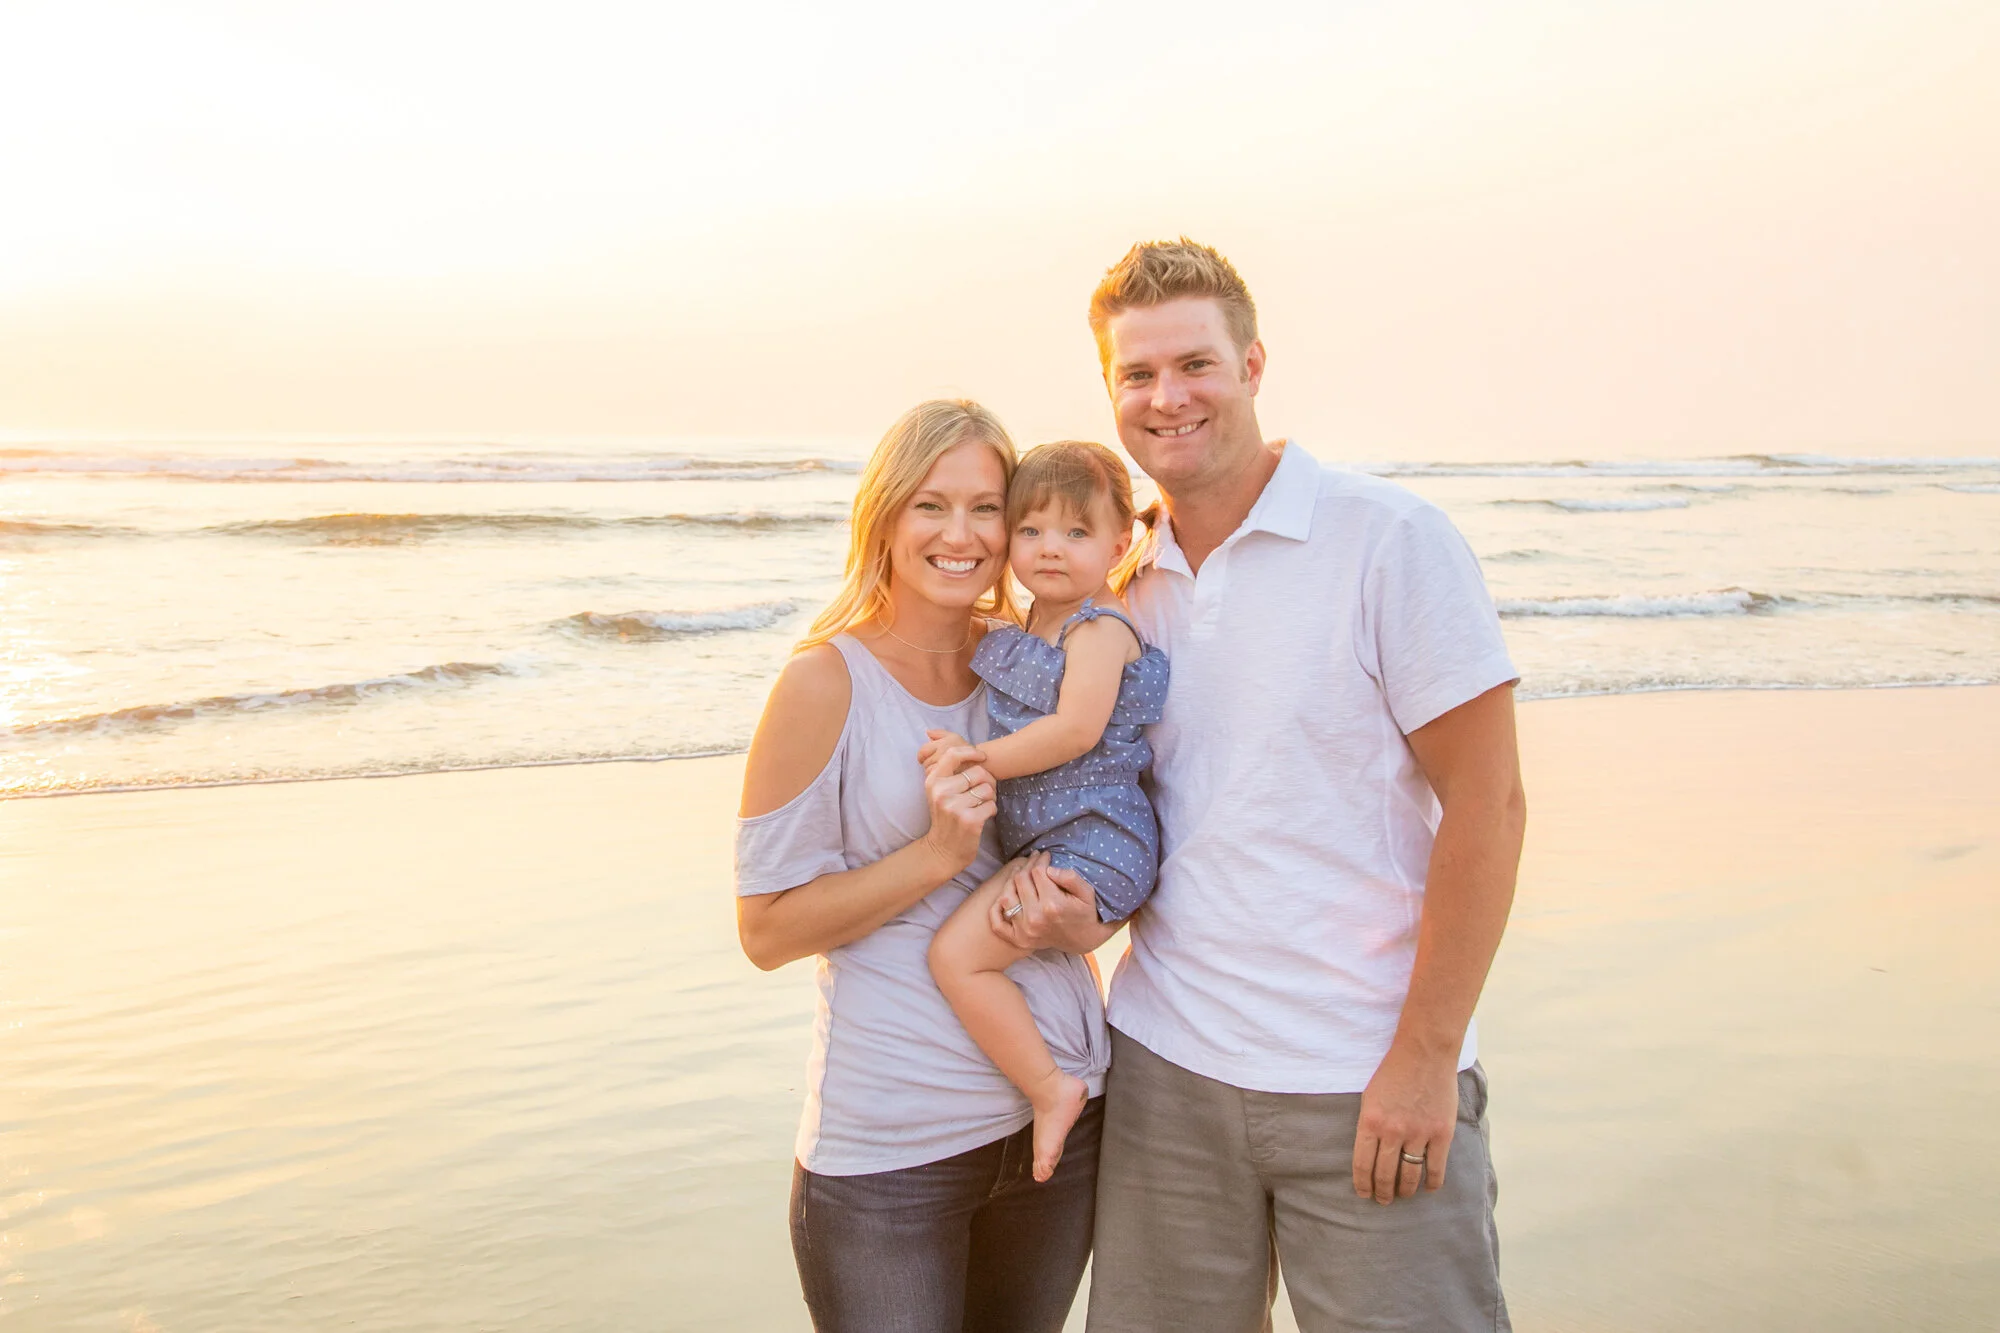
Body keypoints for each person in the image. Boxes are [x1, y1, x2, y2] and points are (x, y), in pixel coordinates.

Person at [991, 240, 1527, 1332]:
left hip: (1363, 1075)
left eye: (1194, 363)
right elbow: (1157, 809)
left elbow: (1490, 804)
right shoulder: (1118, 585)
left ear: (1251, 364)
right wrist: (1080, 913)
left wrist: (1425, 1058)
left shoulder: (1390, 542)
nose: (1167, 396)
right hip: (1164, 1071)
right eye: (1138, 374)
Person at [734, 400, 1111, 1333]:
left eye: (986, 508)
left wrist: (1091, 920)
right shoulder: (825, 681)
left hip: (1063, 1125)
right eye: (931, 506)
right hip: (893, 1154)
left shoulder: (1042, 667)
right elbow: (766, 931)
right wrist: (936, 855)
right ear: (885, 516)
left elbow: (1114, 833)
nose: (961, 535)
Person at [922, 440, 1169, 1185]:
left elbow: (1074, 731)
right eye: (1030, 530)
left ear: (1118, 546)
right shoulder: (1032, 620)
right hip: (1057, 839)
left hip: (1095, 840)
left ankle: (1050, 1086)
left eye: (1075, 532)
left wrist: (976, 761)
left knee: (956, 957)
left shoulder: (1098, 628)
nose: (1049, 548)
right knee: (975, 951)